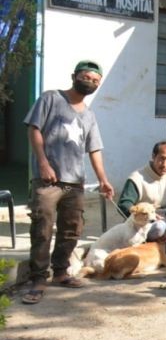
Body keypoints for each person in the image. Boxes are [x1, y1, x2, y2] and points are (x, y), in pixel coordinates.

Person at [21, 60, 114, 304]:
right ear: (74, 76)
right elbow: (34, 129)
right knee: (42, 229)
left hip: (75, 183)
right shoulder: (50, 99)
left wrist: (103, 180)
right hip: (48, 180)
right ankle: (38, 279)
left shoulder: (90, 115)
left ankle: (60, 272)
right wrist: (42, 162)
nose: (91, 83)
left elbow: (94, 149)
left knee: (72, 229)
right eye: (86, 77)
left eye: (96, 81)